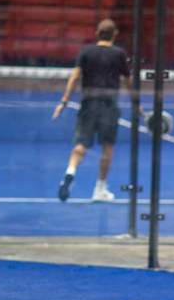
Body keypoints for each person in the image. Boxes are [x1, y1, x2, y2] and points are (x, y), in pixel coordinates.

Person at [53, 18, 130, 202]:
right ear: (115, 34)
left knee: (80, 145)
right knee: (107, 148)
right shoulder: (119, 54)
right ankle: (100, 188)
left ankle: (69, 173)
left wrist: (64, 100)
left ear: (97, 34)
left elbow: (74, 77)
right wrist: (136, 102)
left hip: (88, 104)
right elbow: (128, 81)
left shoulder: (86, 51)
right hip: (109, 106)